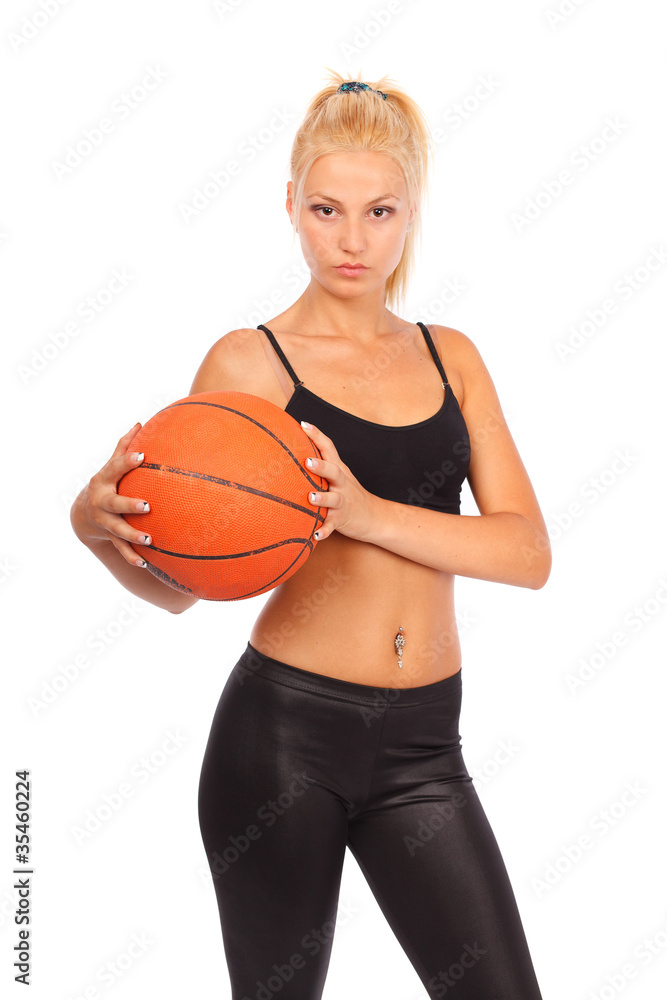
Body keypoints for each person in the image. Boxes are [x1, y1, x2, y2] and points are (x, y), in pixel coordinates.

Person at [71, 71, 551, 999]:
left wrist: (364, 512)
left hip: (425, 748)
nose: (352, 239)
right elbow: (179, 584)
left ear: (411, 213)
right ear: (290, 204)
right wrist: (99, 534)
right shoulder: (251, 362)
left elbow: (525, 553)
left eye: (379, 212)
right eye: (327, 209)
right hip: (284, 739)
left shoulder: (454, 357)